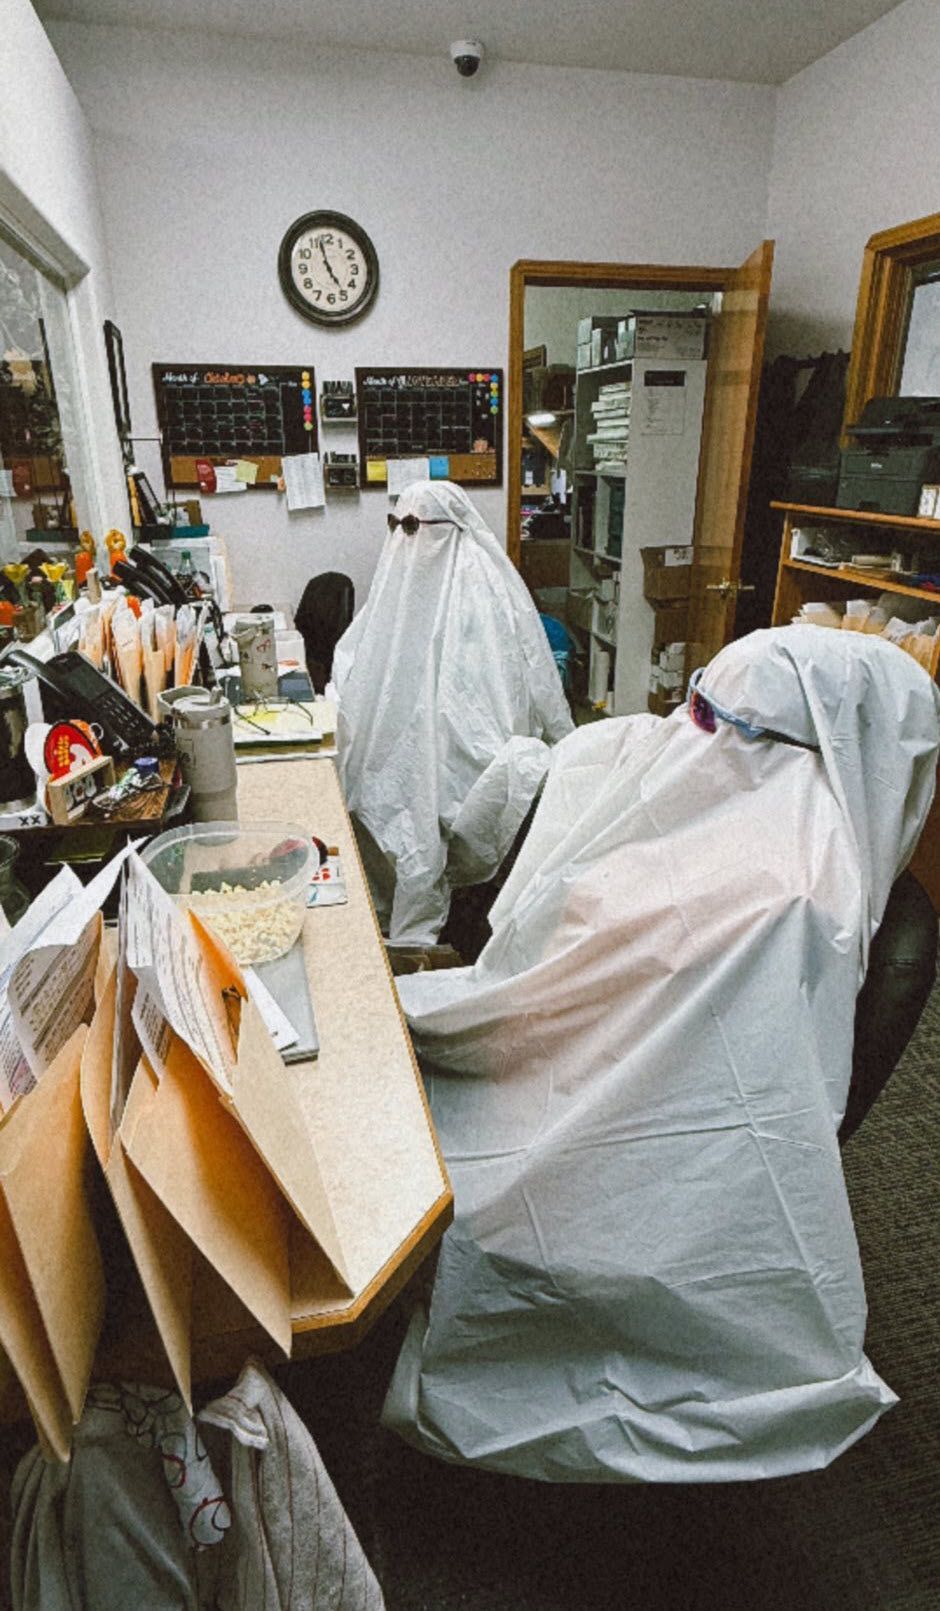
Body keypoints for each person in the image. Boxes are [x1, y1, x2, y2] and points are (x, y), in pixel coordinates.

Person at [382, 626, 940, 1482]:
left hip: (641, 1129)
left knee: (429, 1171)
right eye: (700, 709)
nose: (696, 731)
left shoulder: (795, 895)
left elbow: (720, 1074)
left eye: (723, 721)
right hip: (572, 1056)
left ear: (808, 744)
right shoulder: (693, 791)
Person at [332, 480, 573, 946]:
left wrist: (564, 742)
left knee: (435, 798)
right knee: (387, 795)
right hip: (400, 740)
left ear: (451, 528)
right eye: (399, 527)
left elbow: (525, 672)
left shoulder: (485, 591)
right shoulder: (399, 581)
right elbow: (363, 659)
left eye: (414, 527)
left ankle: (448, 898)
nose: (409, 539)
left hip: (476, 750)